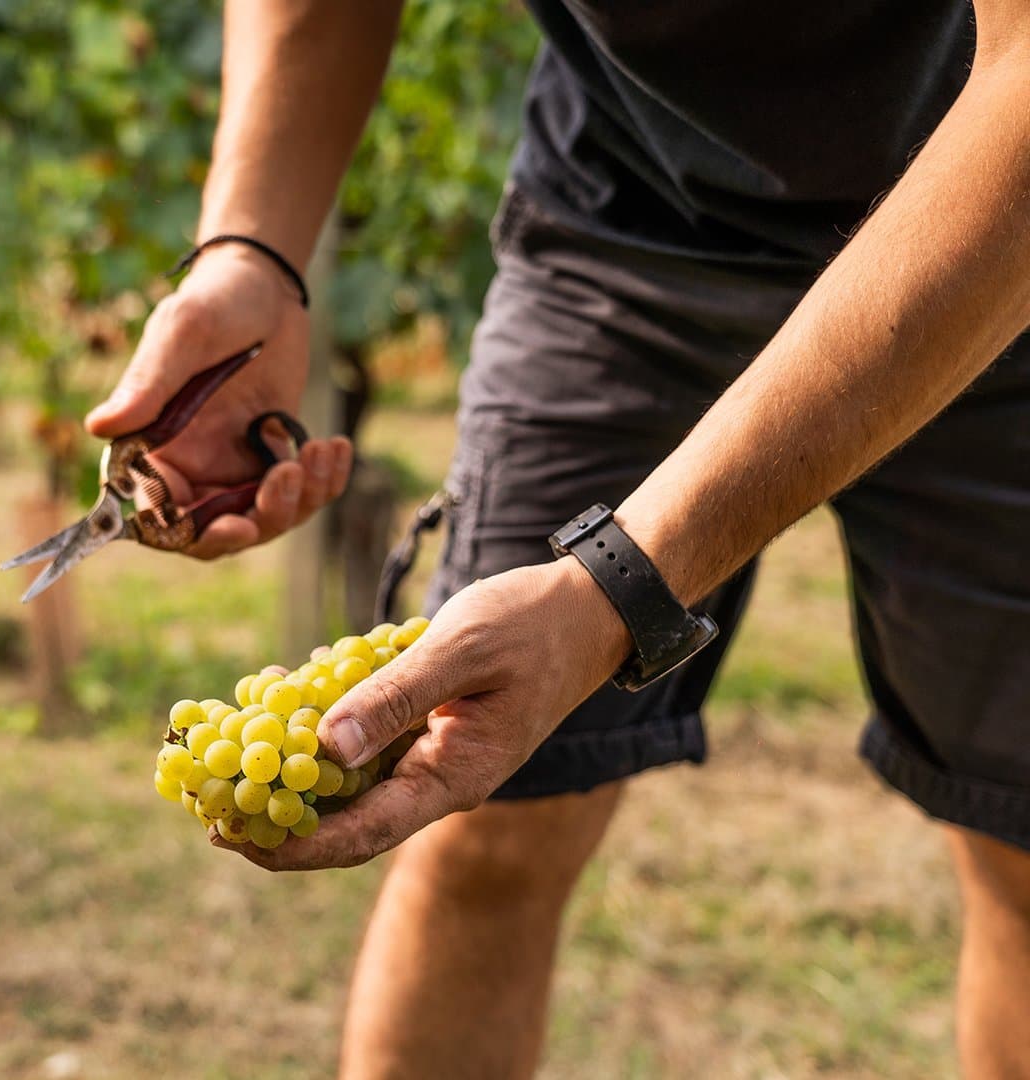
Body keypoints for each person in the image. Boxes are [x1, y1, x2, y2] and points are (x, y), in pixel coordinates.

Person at [85, 3, 1030, 1076]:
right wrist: (250, 249)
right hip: (623, 230)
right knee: (477, 810)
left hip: (1002, 229)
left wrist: (616, 589)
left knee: (1023, 841)